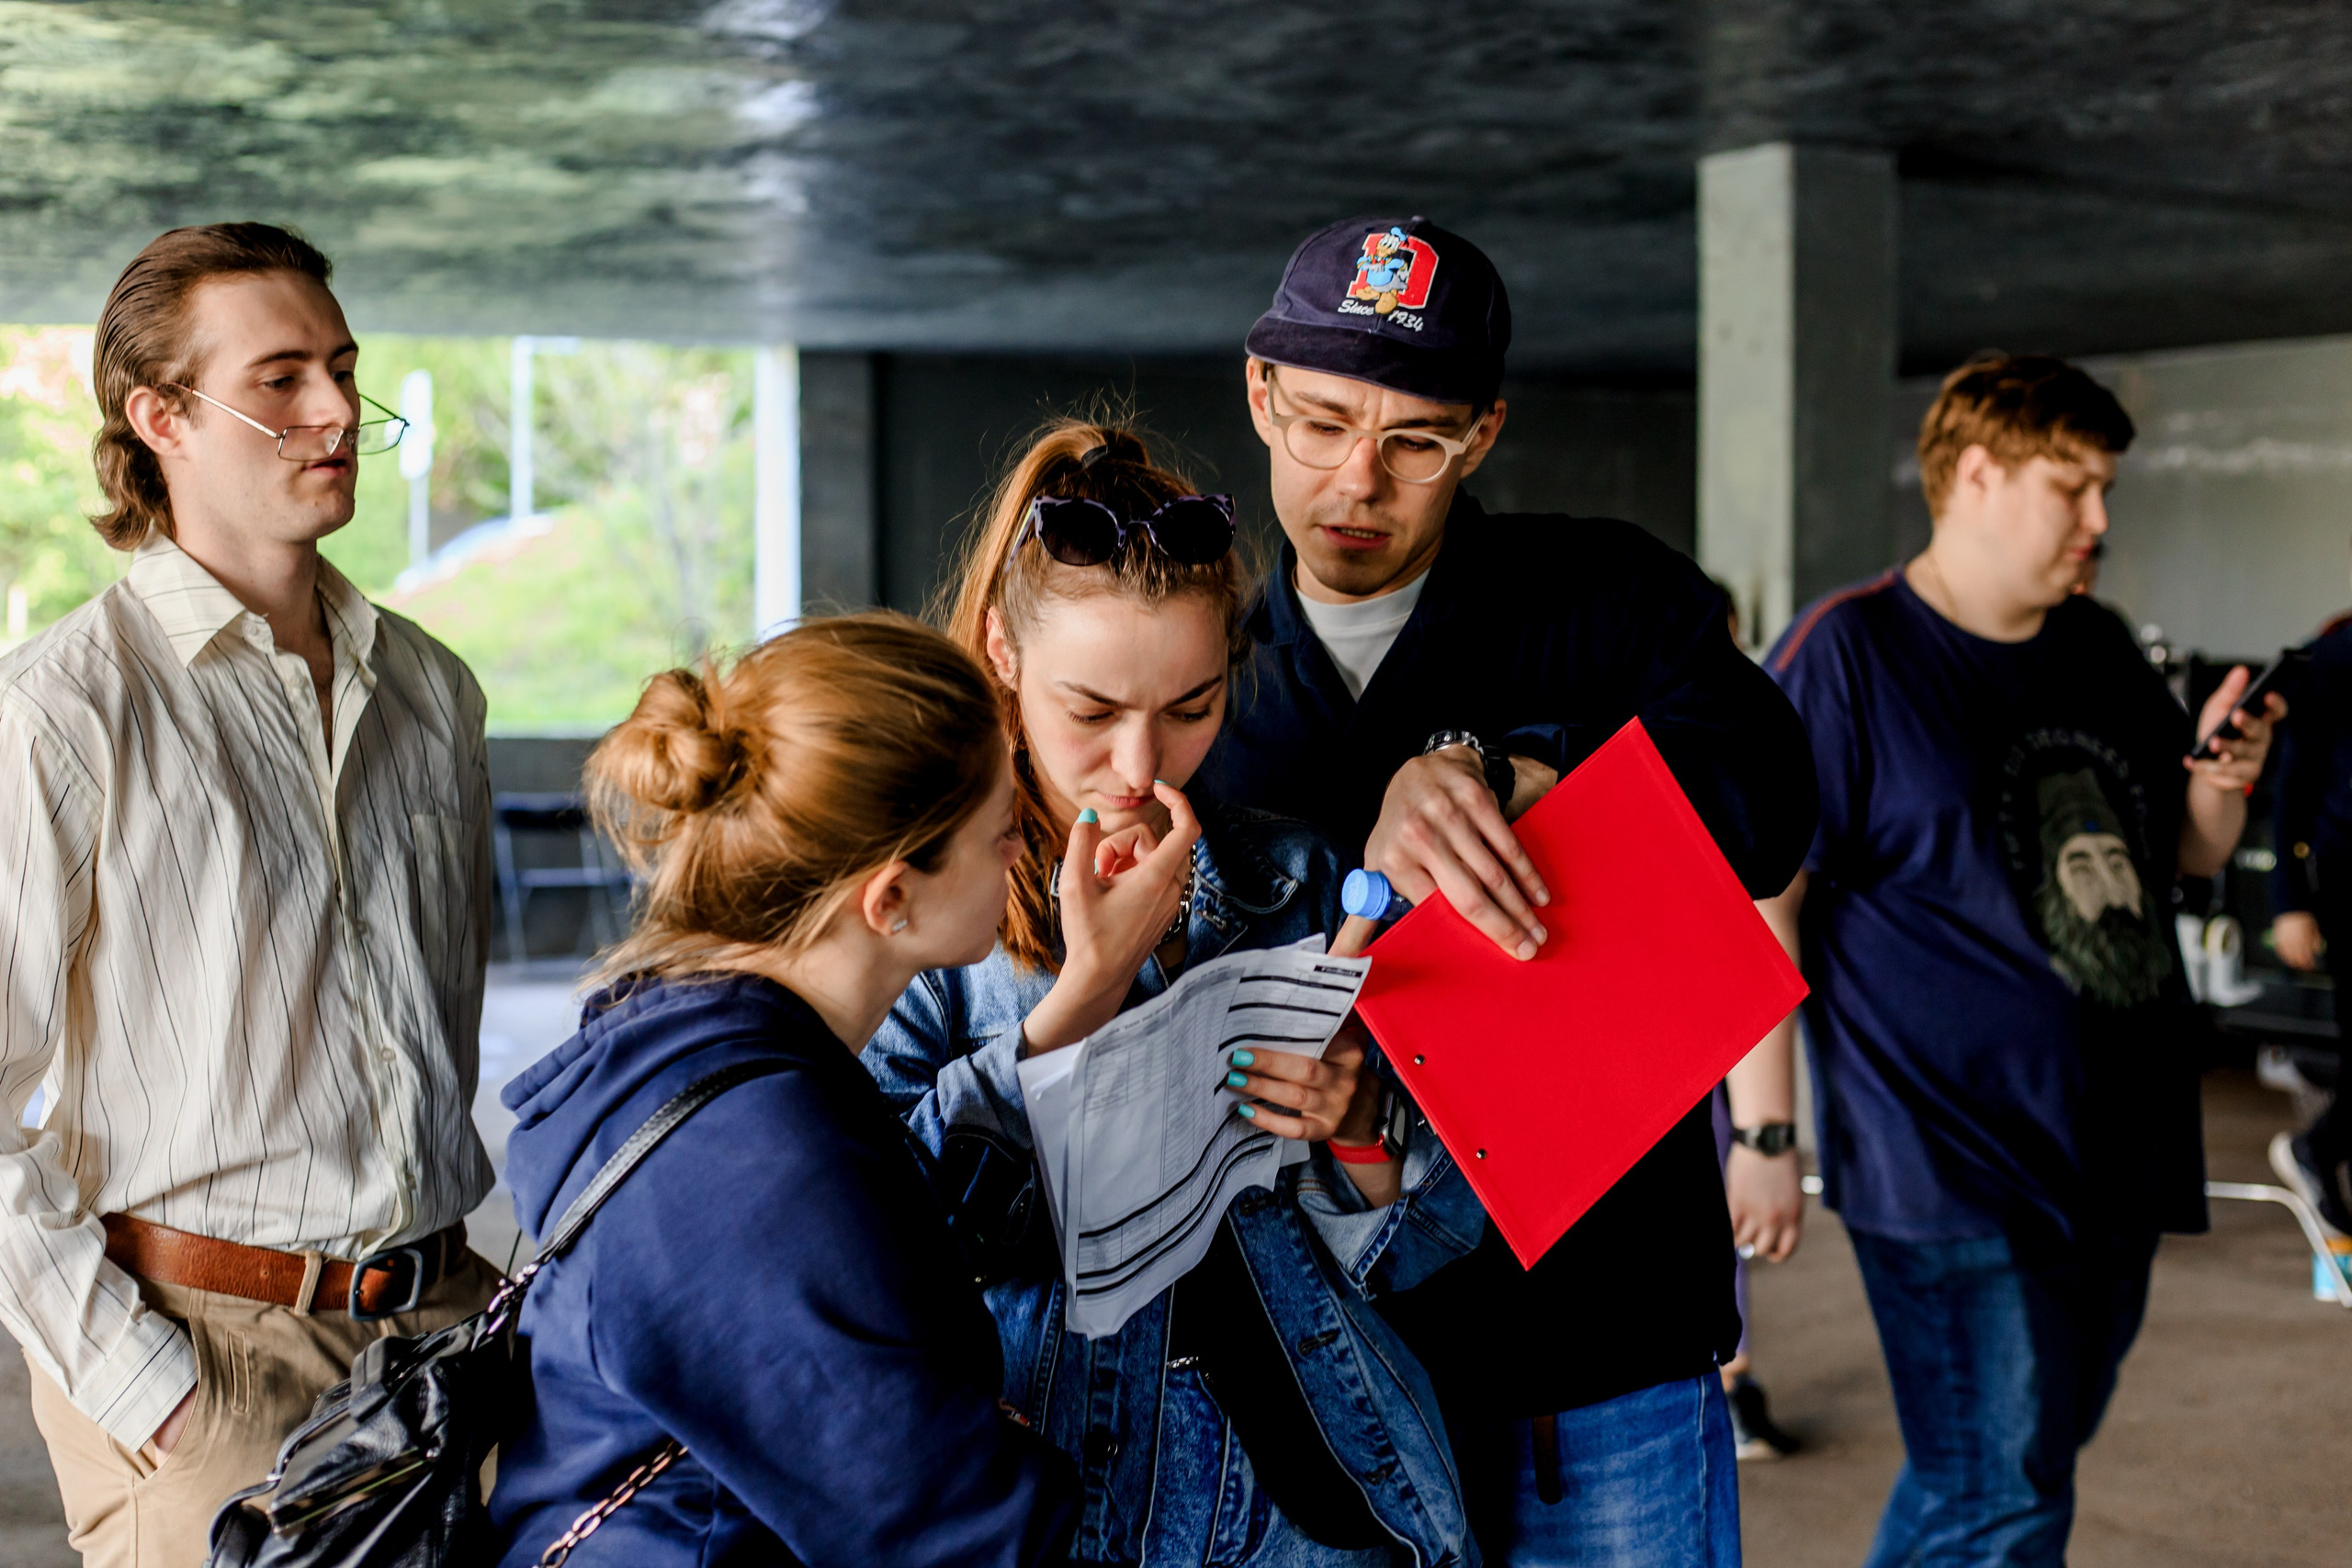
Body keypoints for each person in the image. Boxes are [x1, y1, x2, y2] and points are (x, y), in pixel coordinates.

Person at [1197, 215, 1819, 1566]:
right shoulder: (1205, 678)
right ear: (1258, 394)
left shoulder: (1604, 596)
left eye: (1415, 440)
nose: (1356, 481)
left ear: (1482, 434)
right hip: (1315, 1379)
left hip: (1591, 1357)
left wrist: (1529, 765)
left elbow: (1774, 805)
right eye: (1318, 423)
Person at [864, 420, 1484, 1567]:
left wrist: (1356, 1131)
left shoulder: (1292, 874)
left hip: (1316, 1485)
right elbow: (869, 1250)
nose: (1141, 767)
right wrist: (1081, 998)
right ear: (1000, 649)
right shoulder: (920, 907)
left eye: (1191, 708)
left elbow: (1421, 1251)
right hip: (1056, 1493)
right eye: (1092, 712)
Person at [0, 223, 503, 1568]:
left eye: (341, 368)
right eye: (281, 378)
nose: (338, 408)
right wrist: (141, 1385)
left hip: (446, 1332)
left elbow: (435, 1026)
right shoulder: (58, 709)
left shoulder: (434, 692)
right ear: (160, 415)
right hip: (204, 1358)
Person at [1766, 354, 2281, 1566]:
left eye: (2107, 489)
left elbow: (2181, 858)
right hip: (1943, 1152)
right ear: (1977, 475)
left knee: (2012, 1467)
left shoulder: (2096, 644)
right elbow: (1761, 898)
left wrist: (2224, 785)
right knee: (2002, 1490)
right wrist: (1765, 1136)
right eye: (2074, 487)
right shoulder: (1846, 656)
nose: (2100, 520)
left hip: (2118, 1138)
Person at [488, 615, 1076, 1566]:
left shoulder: (684, 1033)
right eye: (1003, 830)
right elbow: (951, 1529)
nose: (1023, 854)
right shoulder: (753, 1161)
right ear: (888, 901)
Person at [2267, 592, 2352, 1235]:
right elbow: (2292, 786)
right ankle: (2316, 1149)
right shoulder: (2337, 653)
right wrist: (2290, 902)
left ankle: (2317, 1150)